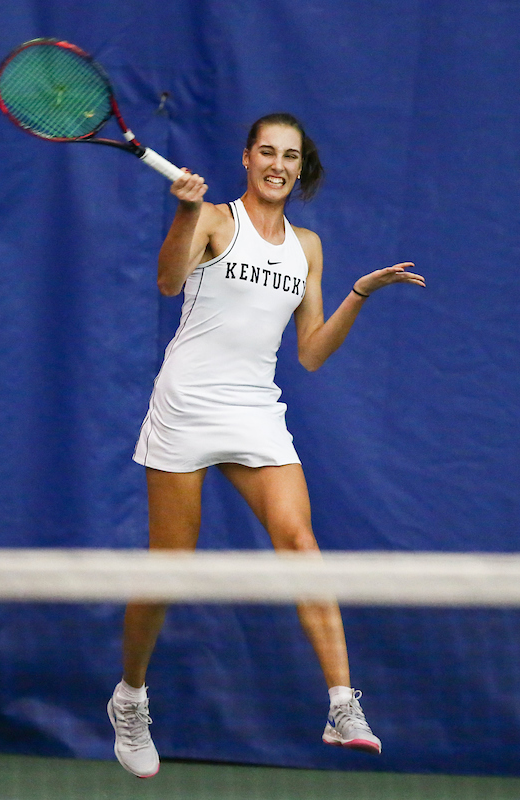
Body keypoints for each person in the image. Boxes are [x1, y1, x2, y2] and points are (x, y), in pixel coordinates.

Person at [107, 113, 425, 778]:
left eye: (291, 156)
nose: (279, 164)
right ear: (247, 158)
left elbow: (309, 352)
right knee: (168, 569)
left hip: (254, 410)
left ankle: (342, 704)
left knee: (299, 541)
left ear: (300, 168)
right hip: (187, 404)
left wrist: (360, 294)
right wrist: (184, 215)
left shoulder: (306, 246)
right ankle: (130, 695)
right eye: (268, 152)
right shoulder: (217, 221)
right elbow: (168, 283)